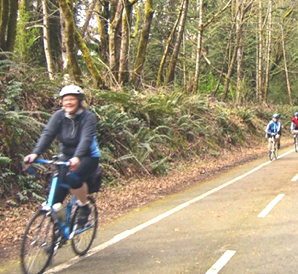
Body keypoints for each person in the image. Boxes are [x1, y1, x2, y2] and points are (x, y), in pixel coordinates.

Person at [24, 84, 100, 226]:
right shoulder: (59, 116)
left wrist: (77, 157)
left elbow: (86, 138)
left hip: (87, 156)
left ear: (79, 100)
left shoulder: (88, 117)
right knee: (53, 201)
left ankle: (83, 206)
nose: (68, 102)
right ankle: (58, 233)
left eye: (72, 99)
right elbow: (48, 134)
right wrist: (35, 153)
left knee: (72, 178)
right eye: (65, 100)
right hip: (65, 156)